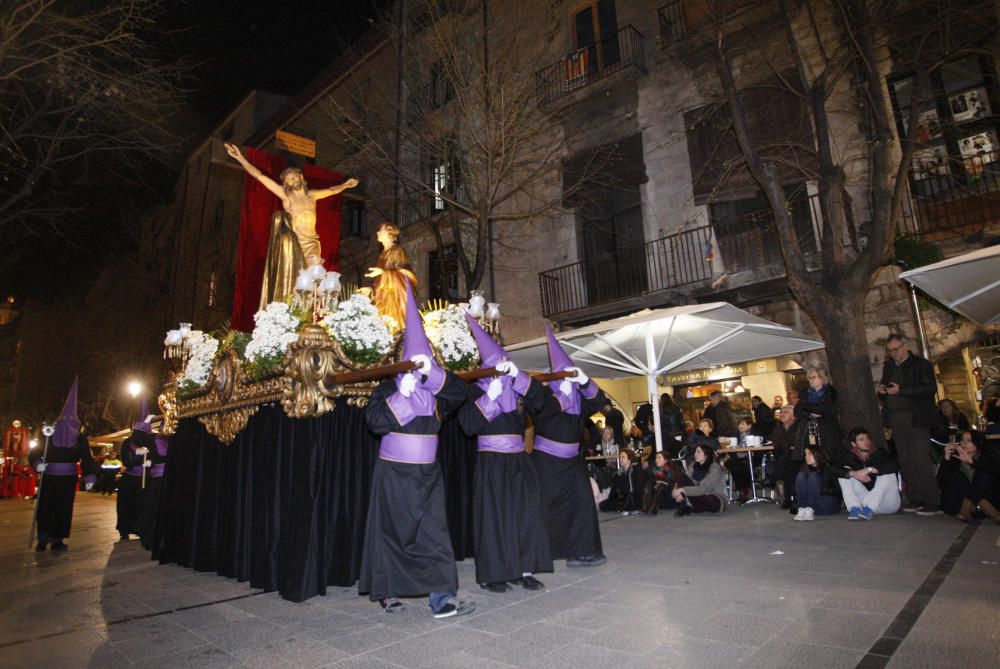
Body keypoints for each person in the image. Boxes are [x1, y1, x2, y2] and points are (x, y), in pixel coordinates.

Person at [359, 282, 473, 619]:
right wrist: (400, 396)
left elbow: (459, 394)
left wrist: (433, 374)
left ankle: (441, 599)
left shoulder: (437, 391)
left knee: (434, 533)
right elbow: (374, 422)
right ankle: (389, 591)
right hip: (394, 472)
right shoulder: (384, 389)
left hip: (428, 474)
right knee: (391, 532)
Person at [458, 314, 552, 594]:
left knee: (525, 515)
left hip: (519, 460)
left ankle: (523, 569)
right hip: (491, 462)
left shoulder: (517, 389)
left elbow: (543, 402)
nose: (501, 365)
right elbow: (467, 425)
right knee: (494, 518)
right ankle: (493, 575)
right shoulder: (475, 389)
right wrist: (490, 397)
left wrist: (519, 378)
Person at [224, 142, 358, 307]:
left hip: (312, 241)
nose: (295, 179)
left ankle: (312, 311)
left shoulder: (312, 195)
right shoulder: (286, 197)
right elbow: (260, 176)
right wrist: (241, 158)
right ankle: (292, 310)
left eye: (297, 176)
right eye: (291, 178)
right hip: (295, 243)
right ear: (286, 184)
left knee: (315, 276)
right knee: (296, 279)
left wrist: (345, 185)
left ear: (302, 178)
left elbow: (331, 190)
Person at [531, 326, 607, 568]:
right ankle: (538, 554)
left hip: (573, 462)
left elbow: (599, 402)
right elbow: (541, 414)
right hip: (547, 462)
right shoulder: (544, 394)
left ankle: (582, 552)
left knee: (583, 505)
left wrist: (584, 380)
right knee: (544, 509)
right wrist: (560, 397)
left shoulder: (577, 399)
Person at [28, 378, 96, 551]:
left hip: (68, 478)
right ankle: (43, 538)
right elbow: (35, 453)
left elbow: (86, 458)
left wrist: (89, 475)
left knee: (63, 509)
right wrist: (38, 464)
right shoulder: (49, 435)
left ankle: (57, 538)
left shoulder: (80, 438)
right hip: (49, 477)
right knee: (46, 508)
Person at [878, 333, 941, 515]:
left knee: (920, 458)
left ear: (906, 346)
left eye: (896, 350)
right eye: (890, 351)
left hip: (916, 417)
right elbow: (884, 393)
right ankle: (916, 497)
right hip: (896, 418)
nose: (894, 354)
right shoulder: (889, 366)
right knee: (905, 460)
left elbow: (929, 389)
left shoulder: (921, 364)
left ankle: (932, 500)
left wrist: (902, 390)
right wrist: (882, 391)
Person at [837, 427, 901, 520]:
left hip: (889, 503)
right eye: (861, 439)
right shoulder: (850, 456)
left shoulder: (879, 452)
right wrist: (854, 473)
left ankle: (869, 508)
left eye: (867, 438)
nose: (866, 441)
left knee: (888, 474)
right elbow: (834, 469)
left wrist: (871, 470)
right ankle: (854, 508)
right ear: (853, 444)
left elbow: (895, 465)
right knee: (845, 473)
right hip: (866, 502)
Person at [937, 430, 1000, 523]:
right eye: (962, 440)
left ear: (977, 443)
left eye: (968, 440)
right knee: (957, 475)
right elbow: (941, 482)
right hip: (957, 502)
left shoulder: (986, 457)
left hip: (986, 500)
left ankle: (967, 505)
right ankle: (987, 508)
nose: (964, 443)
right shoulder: (954, 457)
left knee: (983, 475)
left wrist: (972, 462)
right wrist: (947, 456)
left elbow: (996, 472)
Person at [365, 223, 418, 332]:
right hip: (382, 297)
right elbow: (379, 280)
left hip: (394, 299)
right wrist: (370, 289)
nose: (377, 232)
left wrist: (384, 273)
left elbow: (405, 275)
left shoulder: (396, 250)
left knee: (393, 327)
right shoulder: (382, 254)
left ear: (389, 233)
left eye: (380, 230)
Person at [116, 417, 154, 541]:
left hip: (145, 480)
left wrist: (149, 462)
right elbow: (125, 461)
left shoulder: (149, 443)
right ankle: (124, 529)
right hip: (129, 480)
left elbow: (155, 456)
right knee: (126, 505)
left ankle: (140, 528)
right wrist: (137, 457)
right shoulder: (127, 443)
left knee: (142, 505)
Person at [795, 367, 842, 457]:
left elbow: (823, 409)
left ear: (822, 378)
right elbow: (796, 411)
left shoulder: (830, 392)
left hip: (826, 432)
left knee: (827, 455)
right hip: (808, 430)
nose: (811, 380)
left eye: (814, 377)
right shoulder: (804, 393)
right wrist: (809, 414)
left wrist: (805, 407)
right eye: (809, 378)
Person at [672, 445, 727, 515]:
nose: (695, 454)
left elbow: (703, 489)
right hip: (698, 495)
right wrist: (675, 491)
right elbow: (685, 480)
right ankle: (689, 504)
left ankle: (689, 505)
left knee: (707, 499)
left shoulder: (715, 468)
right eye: (695, 452)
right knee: (682, 476)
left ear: (706, 455)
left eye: (698, 452)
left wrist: (682, 490)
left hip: (715, 498)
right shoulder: (693, 465)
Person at [771, 404, 806, 512]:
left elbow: (797, 443)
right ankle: (791, 498)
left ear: (793, 416)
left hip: (798, 457)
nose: (782, 414)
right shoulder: (778, 428)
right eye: (781, 412)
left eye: (785, 412)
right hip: (782, 457)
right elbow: (776, 443)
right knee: (786, 465)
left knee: (789, 466)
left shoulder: (799, 427)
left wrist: (786, 447)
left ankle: (788, 497)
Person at [793, 445, 841, 520]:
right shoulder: (805, 468)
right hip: (812, 504)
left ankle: (810, 509)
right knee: (801, 476)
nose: (806, 457)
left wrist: (819, 487)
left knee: (814, 477)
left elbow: (836, 490)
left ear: (817, 454)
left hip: (827, 502)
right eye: (805, 454)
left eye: (809, 454)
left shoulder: (829, 467)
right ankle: (802, 509)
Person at [140, 432, 169, 550]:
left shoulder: (172, 440)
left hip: (168, 479)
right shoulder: (154, 439)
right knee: (153, 508)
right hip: (156, 480)